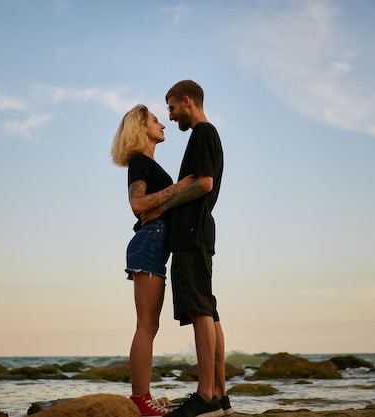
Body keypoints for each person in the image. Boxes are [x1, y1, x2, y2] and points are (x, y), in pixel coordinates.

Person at [141, 80, 232, 417]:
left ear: (186, 100)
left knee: (199, 311)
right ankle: (220, 397)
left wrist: (162, 208)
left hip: (192, 234)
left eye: (171, 107)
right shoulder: (205, 134)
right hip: (198, 234)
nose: (170, 115)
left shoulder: (203, 133)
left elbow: (204, 183)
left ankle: (206, 395)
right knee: (207, 309)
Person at [111, 104, 195, 416]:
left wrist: (165, 203)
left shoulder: (149, 163)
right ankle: (140, 401)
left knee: (150, 325)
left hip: (156, 241)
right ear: (140, 128)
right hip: (149, 240)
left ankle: (142, 398)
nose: (163, 124)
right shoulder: (139, 162)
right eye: (155, 120)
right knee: (146, 325)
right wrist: (180, 187)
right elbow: (136, 204)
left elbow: (154, 203)